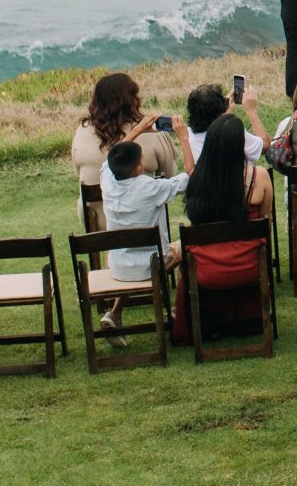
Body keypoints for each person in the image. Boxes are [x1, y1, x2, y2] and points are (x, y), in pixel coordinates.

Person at [176, 112, 274, 346]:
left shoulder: (197, 179)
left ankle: (212, 319)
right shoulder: (259, 177)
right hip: (249, 266)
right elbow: (266, 223)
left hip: (206, 270)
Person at [70, 72, 183, 187]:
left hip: (92, 199)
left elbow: (79, 172)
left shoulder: (82, 130)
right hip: (138, 198)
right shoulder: (154, 132)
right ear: (132, 100)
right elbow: (169, 176)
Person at [99, 138, 189, 282]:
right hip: (152, 267)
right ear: (139, 168)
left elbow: (108, 163)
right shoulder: (149, 187)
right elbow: (186, 179)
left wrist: (138, 129)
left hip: (118, 268)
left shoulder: (107, 183)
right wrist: (184, 138)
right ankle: (183, 293)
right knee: (187, 245)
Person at [183, 81, 268, 166]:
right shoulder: (233, 133)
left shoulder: (188, 135)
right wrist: (251, 110)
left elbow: (213, 120)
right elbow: (265, 146)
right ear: (219, 113)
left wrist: (223, 109)